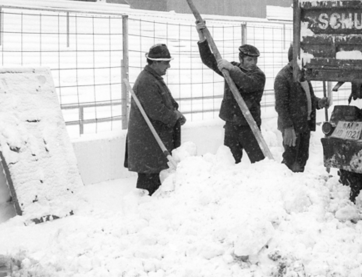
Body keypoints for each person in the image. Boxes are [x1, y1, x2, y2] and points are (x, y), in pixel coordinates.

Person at [196, 21, 266, 164]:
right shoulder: (231, 69)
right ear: (241, 59)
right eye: (249, 59)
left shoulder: (258, 75)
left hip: (249, 124)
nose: (252, 63)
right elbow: (208, 59)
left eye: (254, 60)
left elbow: (247, 84)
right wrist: (202, 37)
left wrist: (232, 69)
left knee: (258, 160)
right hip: (232, 124)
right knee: (230, 161)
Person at [124, 43, 186, 196]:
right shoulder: (147, 81)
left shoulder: (153, 78)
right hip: (148, 142)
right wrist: (175, 116)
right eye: (166, 62)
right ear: (155, 62)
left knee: (153, 178)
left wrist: (175, 113)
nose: (169, 66)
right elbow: (157, 111)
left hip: (151, 142)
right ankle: (144, 208)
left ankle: (148, 205)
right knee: (148, 180)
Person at [274, 44, 328, 172]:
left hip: (304, 125)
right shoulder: (283, 78)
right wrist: (288, 127)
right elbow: (280, 106)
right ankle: (286, 186)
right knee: (290, 159)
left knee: (303, 158)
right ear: (293, 59)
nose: (305, 63)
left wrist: (319, 103)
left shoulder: (304, 76)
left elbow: (308, 99)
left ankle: (298, 183)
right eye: (302, 59)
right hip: (292, 127)